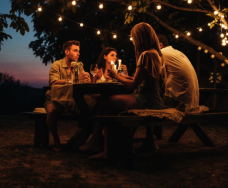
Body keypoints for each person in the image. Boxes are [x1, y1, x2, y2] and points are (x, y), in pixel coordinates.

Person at [79, 22, 166, 159]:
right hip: (155, 100)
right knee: (108, 110)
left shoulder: (145, 55)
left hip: (145, 100)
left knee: (103, 101)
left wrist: (117, 76)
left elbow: (133, 85)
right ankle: (110, 150)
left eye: (134, 38)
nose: (134, 42)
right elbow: (143, 79)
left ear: (140, 38)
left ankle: (96, 141)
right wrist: (123, 76)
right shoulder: (156, 54)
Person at [44, 40, 91, 151]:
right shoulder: (57, 64)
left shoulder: (79, 66)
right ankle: (56, 138)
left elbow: (82, 84)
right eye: (75, 50)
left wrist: (88, 79)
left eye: (79, 51)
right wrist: (72, 79)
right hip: (56, 99)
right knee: (51, 111)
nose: (78, 53)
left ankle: (75, 140)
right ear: (67, 52)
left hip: (72, 100)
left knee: (88, 114)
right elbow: (54, 82)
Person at [157, 34, 199, 110]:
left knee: (147, 97)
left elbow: (154, 77)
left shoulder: (161, 53)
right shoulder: (178, 53)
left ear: (160, 45)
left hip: (179, 102)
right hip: (192, 102)